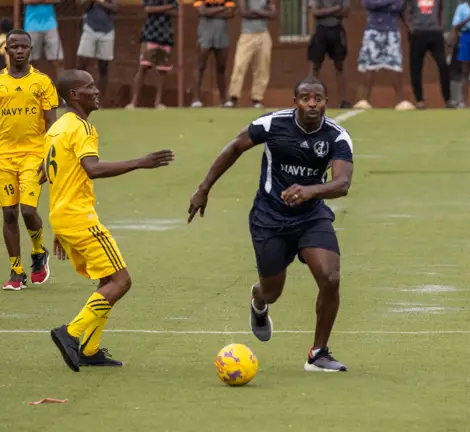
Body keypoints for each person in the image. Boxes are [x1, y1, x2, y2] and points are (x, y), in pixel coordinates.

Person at [188, 76, 354, 372]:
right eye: (305, 98)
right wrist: (204, 188)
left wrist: (309, 191)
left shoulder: (337, 137)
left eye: (318, 98)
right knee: (272, 291)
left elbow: (342, 183)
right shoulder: (272, 125)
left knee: (330, 278)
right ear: (295, 102)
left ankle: (318, 354)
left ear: (326, 101)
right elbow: (235, 147)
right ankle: (258, 301)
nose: (312, 104)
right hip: (269, 218)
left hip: (311, 216)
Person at [46, 69, 174, 372]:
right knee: (121, 281)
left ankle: (89, 350)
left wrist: (59, 228)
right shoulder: (82, 128)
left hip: (63, 216)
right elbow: (92, 169)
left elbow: (52, 174)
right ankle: (72, 333)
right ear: (74, 95)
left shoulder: (57, 127)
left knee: (106, 281)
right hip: (79, 217)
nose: (97, 90)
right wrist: (140, 162)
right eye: (90, 87)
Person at [0, 30, 58, 290]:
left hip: (34, 155)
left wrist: (48, 158)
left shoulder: (42, 82)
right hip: (4, 157)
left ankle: (38, 251)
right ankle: (16, 271)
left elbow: (51, 123)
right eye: (14, 46)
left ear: (30, 49)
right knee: (9, 213)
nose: (20, 51)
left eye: (24, 46)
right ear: (7, 50)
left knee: (27, 209)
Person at [355, 0, 413, 110]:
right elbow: (368, 4)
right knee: (369, 65)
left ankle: (400, 101)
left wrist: (380, 4)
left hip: (392, 31)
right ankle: (364, 100)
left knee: (395, 65)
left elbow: (400, 5)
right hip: (373, 30)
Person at [126, 0, 178, 109]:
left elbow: (177, 12)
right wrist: (168, 7)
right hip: (150, 34)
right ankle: (134, 102)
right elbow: (148, 9)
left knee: (162, 71)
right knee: (143, 67)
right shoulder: (168, 3)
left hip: (166, 36)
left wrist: (160, 9)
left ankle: (158, 102)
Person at [224, 0, 275, 108]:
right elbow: (243, 12)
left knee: (262, 68)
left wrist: (255, 12)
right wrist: (262, 13)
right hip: (247, 35)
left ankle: (257, 99)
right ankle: (233, 97)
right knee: (239, 65)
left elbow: (273, 14)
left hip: (263, 34)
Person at [406, 0, 452, 109]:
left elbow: (442, 8)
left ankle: (448, 99)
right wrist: (410, 27)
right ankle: (419, 100)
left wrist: (442, 25)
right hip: (418, 32)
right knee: (416, 67)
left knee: (443, 65)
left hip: (435, 32)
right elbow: (405, 11)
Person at [190, 0, 235, 108]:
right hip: (205, 33)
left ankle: (223, 100)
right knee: (200, 66)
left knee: (221, 67)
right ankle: (195, 99)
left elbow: (230, 13)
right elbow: (202, 12)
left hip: (221, 34)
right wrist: (222, 8)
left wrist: (210, 11)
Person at [307, 0, 352, 109]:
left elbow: (345, 12)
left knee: (339, 65)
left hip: (337, 30)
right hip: (320, 30)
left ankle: (343, 100)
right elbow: (315, 12)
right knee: (315, 66)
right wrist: (335, 9)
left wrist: (324, 12)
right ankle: (311, 98)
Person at [76, 0, 119, 98]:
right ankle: (77, 96)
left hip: (107, 31)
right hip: (89, 28)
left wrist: (100, 2)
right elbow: (83, 5)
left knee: (103, 67)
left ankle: (99, 101)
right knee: (81, 64)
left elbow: (115, 8)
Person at [23, 0, 64, 81]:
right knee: (33, 62)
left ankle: (62, 91)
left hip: (51, 25)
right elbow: (26, 1)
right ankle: (34, 88)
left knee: (58, 61)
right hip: (31, 26)